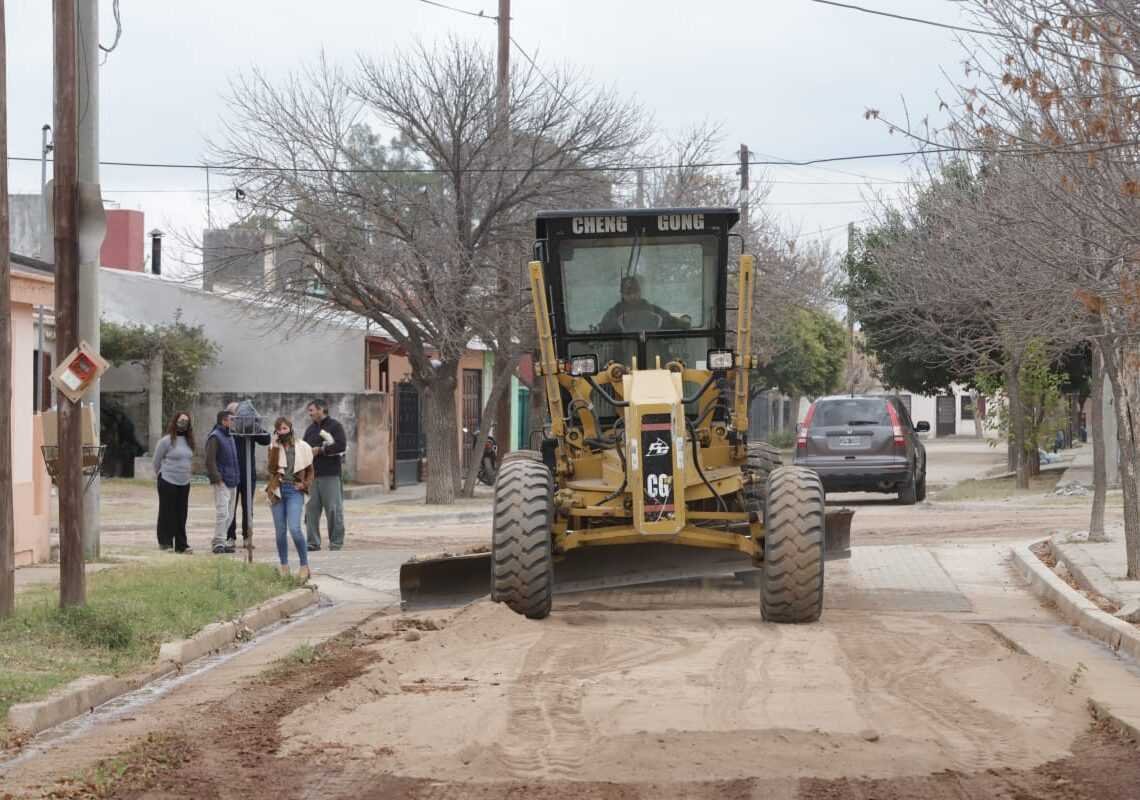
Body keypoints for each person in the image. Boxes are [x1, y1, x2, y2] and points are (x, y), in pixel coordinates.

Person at [266, 416, 314, 580]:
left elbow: (310, 470)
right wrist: (274, 448)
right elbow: (271, 468)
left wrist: (304, 485)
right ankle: (284, 566)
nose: (282, 431)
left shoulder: (302, 447)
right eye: (279, 429)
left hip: (294, 490)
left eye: (285, 428)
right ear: (276, 431)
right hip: (277, 490)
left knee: (294, 528)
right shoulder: (274, 447)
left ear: (291, 428)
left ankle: (304, 565)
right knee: (280, 532)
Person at [225, 400, 271, 552]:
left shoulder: (249, 428)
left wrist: (255, 426)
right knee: (230, 506)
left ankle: (247, 537)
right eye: (233, 415)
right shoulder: (226, 429)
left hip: (248, 473)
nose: (237, 418)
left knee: (248, 506)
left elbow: (266, 439)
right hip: (231, 473)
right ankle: (230, 537)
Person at [302, 399, 347, 551]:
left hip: (330, 474)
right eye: (309, 411)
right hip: (312, 476)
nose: (310, 414)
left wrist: (321, 451)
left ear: (321, 409)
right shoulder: (310, 429)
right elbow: (303, 449)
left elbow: (341, 446)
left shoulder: (335, 426)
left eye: (312, 410)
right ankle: (312, 542)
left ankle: (336, 542)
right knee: (311, 510)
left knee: (333, 510)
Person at [152, 411, 195, 554]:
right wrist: (161, 474)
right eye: (181, 420)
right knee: (167, 512)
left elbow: (189, 459)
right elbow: (156, 461)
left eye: (186, 421)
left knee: (181, 513)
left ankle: (181, 545)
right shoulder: (166, 441)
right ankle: (165, 542)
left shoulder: (189, 441)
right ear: (175, 421)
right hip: (167, 481)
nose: (183, 423)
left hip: (184, 482)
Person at [598, 275, 691, 333]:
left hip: (654, 357)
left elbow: (671, 321)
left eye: (635, 291)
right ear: (622, 294)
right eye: (628, 293)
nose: (633, 296)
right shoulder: (614, 313)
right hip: (621, 359)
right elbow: (603, 329)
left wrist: (683, 322)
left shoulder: (654, 311)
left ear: (640, 291)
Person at [205, 409, 240, 555]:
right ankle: (218, 542)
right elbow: (210, 460)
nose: (233, 422)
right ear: (224, 421)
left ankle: (223, 540)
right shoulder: (215, 437)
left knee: (230, 514)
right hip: (222, 481)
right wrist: (217, 478)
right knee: (222, 512)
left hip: (233, 480)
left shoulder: (230, 436)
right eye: (231, 419)